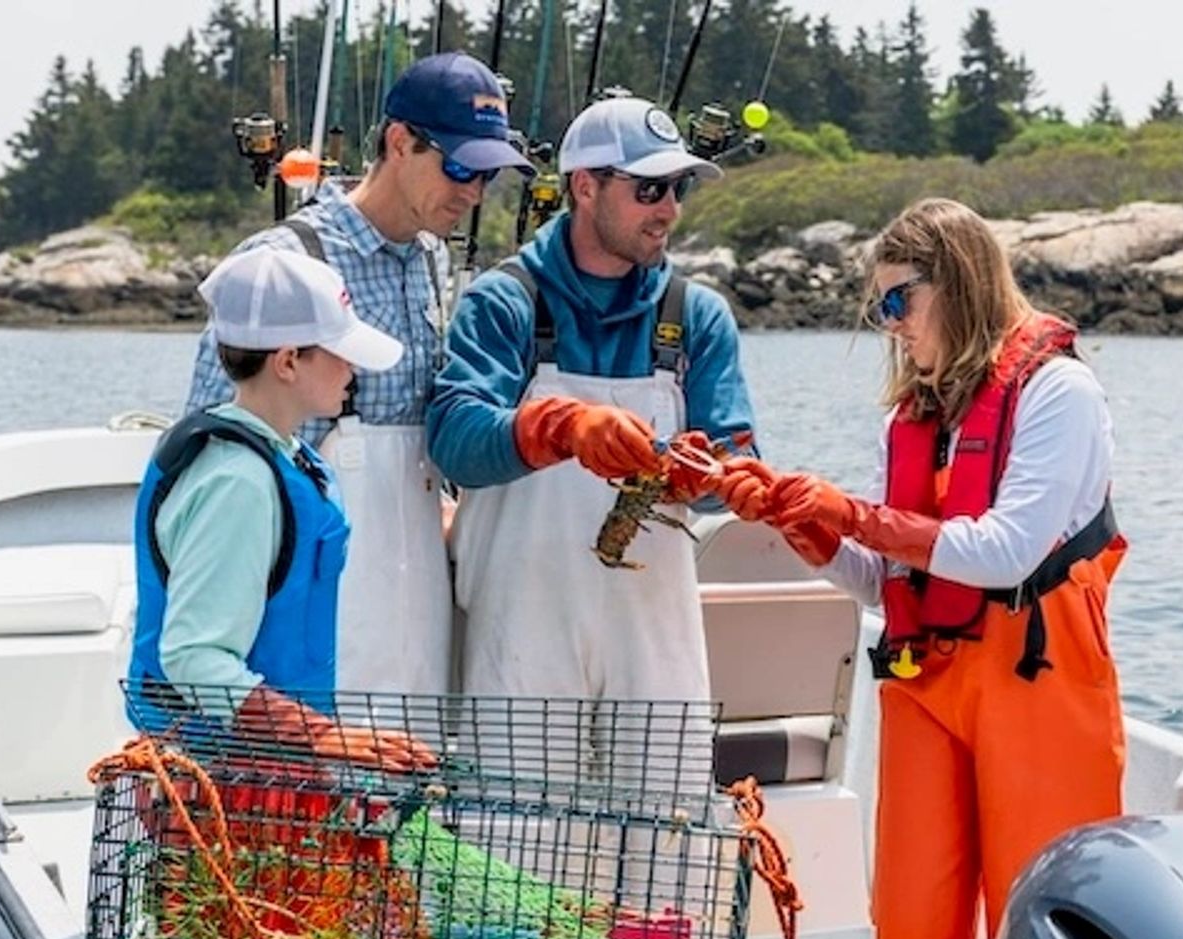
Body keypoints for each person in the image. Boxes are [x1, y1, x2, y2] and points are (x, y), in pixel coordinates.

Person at [715, 197, 1126, 939]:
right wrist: (813, 531)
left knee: (1045, 927)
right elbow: (884, 581)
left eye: (900, 300)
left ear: (960, 285)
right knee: (909, 928)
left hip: (1036, 679)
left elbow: (1004, 554)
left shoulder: (1059, 394)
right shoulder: (910, 418)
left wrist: (853, 516)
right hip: (924, 680)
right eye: (880, 307)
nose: (891, 324)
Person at [185, 52, 534, 697]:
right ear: (399, 143)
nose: (474, 193)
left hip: (416, 596)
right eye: (460, 168)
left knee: (409, 776)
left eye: (487, 177)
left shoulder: (432, 261)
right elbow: (212, 447)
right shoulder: (285, 261)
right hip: (313, 593)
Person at [426, 96, 756, 708]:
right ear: (585, 187)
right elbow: (453, 441)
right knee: (516, 806)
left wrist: (703, 476)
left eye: (678, 188)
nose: (670, 210)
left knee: (669, 805)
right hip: (521, 628)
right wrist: (559, 429)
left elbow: (740, 461)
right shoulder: (504, 302)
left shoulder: (698, 316)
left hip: (653, 636)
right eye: (650, 190)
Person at [129, 247, 433, 770]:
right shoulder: (239, 483)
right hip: (222, 778)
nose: (352, 369)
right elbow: (194, 658)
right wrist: (321, 736)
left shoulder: (284, 455)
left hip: (271, 766)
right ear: (288, 361)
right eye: (339, 351)